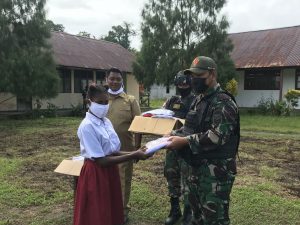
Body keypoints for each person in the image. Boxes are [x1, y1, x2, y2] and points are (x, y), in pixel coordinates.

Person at [166, 56, 240, 225]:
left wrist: (184, 141)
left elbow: (217, 136)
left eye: (199, 76)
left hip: (216, 173)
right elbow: (190, 129)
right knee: (196, 217)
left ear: (212, 74)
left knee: (214, 219)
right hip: (195, 170)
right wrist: (173, 134)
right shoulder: (198, 100)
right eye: (192, 76)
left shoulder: (223, 102)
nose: (194, 80)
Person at [73, 84, 150, 225]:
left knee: (111, 208)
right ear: (89, 101)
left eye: (106, 102)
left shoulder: (106, 122)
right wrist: (134, 155)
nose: (104, 105)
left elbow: (112, 151)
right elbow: (101, 160)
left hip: (110, 171)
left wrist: (135, 152)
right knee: (97, 212)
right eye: (99, 102)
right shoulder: (87, 126)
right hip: (95, 173)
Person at [106, 67, 142, 223]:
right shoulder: (101, 98)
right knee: (105, 180)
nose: (114, 81)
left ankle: (122, 212)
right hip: (103, 150)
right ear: (106, 79)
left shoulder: (130, 100)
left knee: (122, 181)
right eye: (112, 78)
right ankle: (107, 209)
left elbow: (139, 125)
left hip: (125, 150)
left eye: (118, 79)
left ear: (122, 81)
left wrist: (137, 148)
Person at [163, 71, 195, 225]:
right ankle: (175, 210)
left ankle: (188, 213)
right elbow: (163, 116)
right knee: (171, 176)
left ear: (191, 83)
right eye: (180, 83)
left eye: (186, 83)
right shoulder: (171, 101)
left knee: (188, 180)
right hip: (171, 146)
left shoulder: (196, 101)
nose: (183, 86)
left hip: (187, 146)